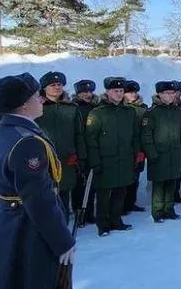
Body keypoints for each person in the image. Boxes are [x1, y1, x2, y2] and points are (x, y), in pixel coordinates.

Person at [0, 73, 75, 289]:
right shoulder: (27, 142)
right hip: (27, 229)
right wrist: (62, 240)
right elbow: (38, 199)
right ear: (23, 104)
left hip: (8, 223)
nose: (41, 99)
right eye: (35, 96)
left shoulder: (5, 133)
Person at [85, 77, 138, 235]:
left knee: (120, 192)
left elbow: (135, 135)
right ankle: (103, 224)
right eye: (115, 91)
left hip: (124, 158)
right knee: (103, 194)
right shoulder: (97, 113)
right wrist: (95, 161)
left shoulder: (129, 112)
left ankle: (116, 220)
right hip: (106, 159)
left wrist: (135, 155)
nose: (119, 93)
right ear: (107, 92)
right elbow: (91, 139)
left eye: (121, 91)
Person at [38, 71, 87, 224]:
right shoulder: (37, 107)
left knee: (64, 195)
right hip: (42, 160)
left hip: (66, 160)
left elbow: (79, 134)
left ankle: (62, 229)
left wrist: (81, 156)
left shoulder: (71, 108)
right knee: (44, 196)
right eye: (53, 85)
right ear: (44, 88)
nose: (57, 87)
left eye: (59, 84)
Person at [142, 80, 181, 223]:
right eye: (166, 93)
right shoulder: (151, 113)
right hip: (159, 154)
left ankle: (169, 209)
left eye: (172, 93)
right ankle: (157, 212)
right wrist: (152, 154)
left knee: (172, 183)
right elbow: (146, 136)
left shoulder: (177, 111)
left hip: (174, 153)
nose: (170, 96)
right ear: (160, 94)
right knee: (159, 185)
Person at [72, 79, 98, 225]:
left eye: (89, 92)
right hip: (79, 153)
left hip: (93, 151)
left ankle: (89, 213)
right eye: (84, 92)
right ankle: (78, 214)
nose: (87, 95)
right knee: (79, 186)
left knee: (92, 184)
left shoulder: (96, 108)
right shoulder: (74, 108)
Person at [122, 80, 149, 214]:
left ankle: (131, 202)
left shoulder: (143, 108)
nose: (132, 95)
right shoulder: (121, 108)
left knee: (135, 177)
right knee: (123, 178)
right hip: (125, 148)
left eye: (134, 92)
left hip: (140, 148)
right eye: (129, 92)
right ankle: (121, 205)